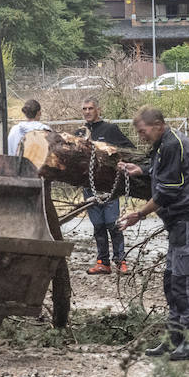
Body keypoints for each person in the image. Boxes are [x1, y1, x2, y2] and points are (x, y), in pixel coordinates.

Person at [117, 107, 189, 361]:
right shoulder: (162, 145)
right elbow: (161, 170)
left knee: (183, 283)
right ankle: (172, 339)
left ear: (157, 124)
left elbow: (167, 191)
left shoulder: (174, 144)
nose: (141, 136)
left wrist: (139, 214)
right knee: (171, 281)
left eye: (142, 131)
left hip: (188, 220)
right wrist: (141, 170)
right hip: (176, 223)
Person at [75, 99, 134, 275]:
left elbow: (130, 149)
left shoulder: (110, 129)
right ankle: (103, 262)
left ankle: (120, 261)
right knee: (98, 226)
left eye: (90, 108)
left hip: (109, 187)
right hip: (89, 187)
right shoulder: (80, 132)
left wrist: (118, 157)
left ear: (98, 110)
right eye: (84, 109)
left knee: (112, 224)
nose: (87, 111)